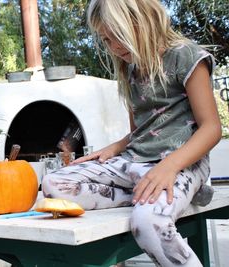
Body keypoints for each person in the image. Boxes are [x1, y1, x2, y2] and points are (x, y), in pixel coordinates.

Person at [41, 0, 222, 266]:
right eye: (106, 40)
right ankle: (147, 193)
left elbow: (212, 128)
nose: (113, 47)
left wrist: (169, 166)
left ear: (142, 20)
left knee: (147, 222)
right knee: (54, 185)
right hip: (135, 161)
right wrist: (115, 147)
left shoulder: (185, 55)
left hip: (182, 161)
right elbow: (140, 132)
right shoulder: (130, 69)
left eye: (117, 36)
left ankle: (173, 191)